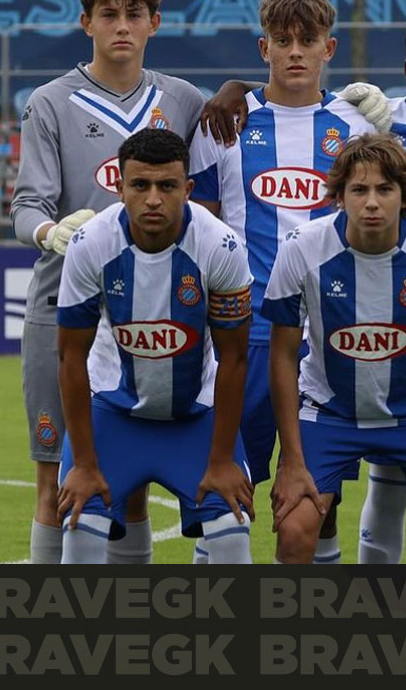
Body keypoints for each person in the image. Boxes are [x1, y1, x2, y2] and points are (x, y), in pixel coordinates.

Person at [10, 0, 211, 564]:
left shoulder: (183, 100)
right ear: (86, 22)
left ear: (155, 22)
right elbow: (24, 206)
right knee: (56, 481)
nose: (121, 25)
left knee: (133, 486)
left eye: (134, 14)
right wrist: (50, 232)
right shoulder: (50, 102)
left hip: (154, 314)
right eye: (108, 14)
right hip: (63, 308)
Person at [188, 0, 377, 563]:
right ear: (263, 47)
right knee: (224, 479)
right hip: (243, 329)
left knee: (320, 493)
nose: (296, 52)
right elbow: (201, 225)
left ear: (330, 49)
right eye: (284, 41)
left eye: (309, 41)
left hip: (326, 329)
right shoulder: (226, 121)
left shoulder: (356, 127)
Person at [264, 134, 406, 564]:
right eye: (358, 190)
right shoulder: (301, 248)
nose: (371, 203)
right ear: (339, 196)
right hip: (327, 410)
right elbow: (283, 354)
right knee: (294, 527)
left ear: (405, 196)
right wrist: (290, 460)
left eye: (384, 189)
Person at [53, 129, 256, 564]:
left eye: (166, 186)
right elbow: (71, 358)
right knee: (79, 532)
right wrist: (84, 465)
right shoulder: (90, 244)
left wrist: (222, 460)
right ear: (120, 187)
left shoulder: (221, 246)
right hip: (113, 413)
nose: (152, 199)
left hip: (195, 419)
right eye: (139, 185)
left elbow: (235, 357)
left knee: (232, 533)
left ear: (188, 189)